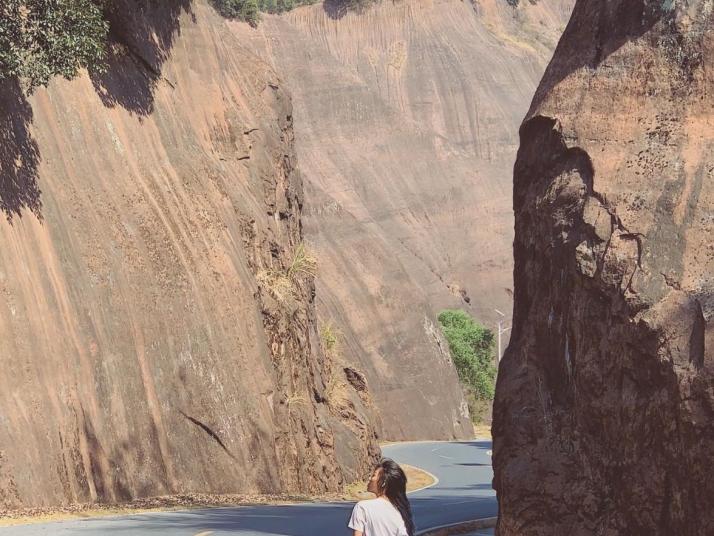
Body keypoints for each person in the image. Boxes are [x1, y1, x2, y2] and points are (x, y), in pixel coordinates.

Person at [348, 458, 416, 536]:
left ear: (383, 482)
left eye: (373, 475)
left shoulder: (362, 507)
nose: (370, 479)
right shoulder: (400, 512)